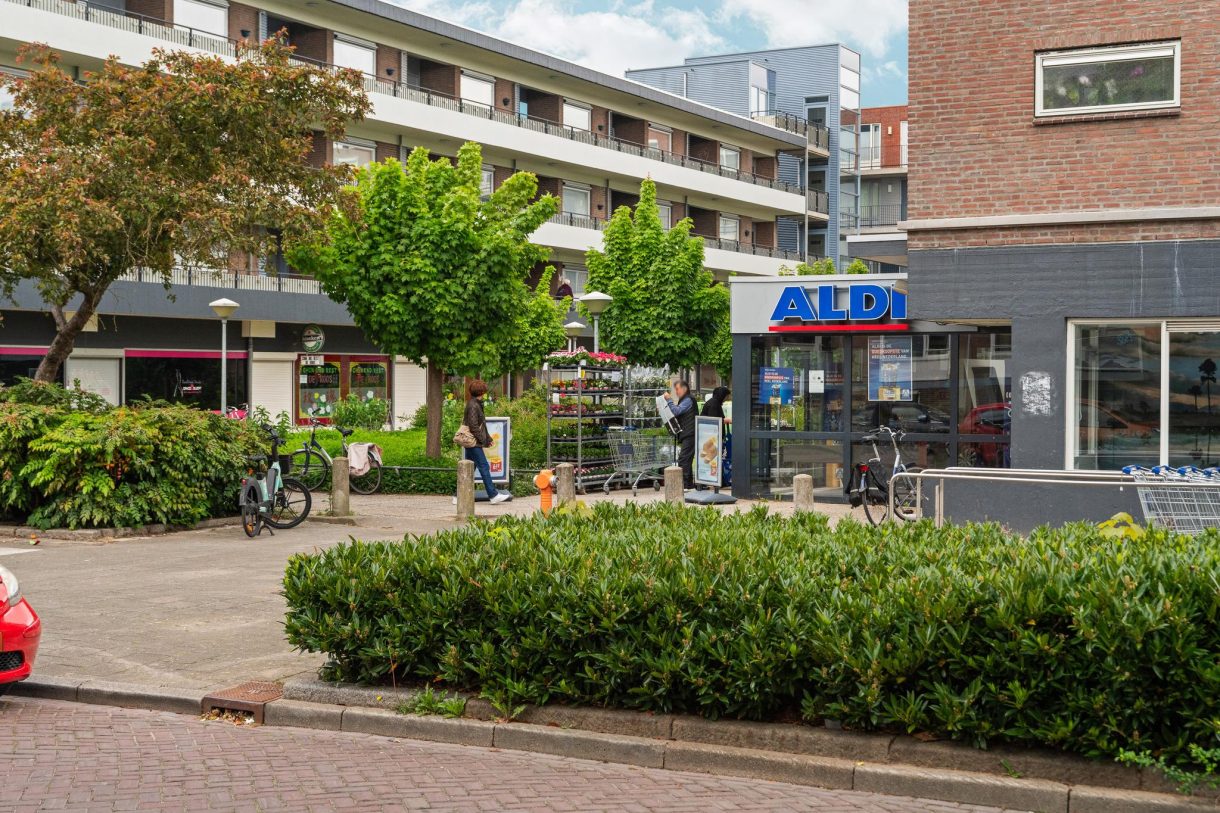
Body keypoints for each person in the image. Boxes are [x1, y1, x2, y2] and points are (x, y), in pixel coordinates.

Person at [463, 380, 510, 504]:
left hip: (473, 441)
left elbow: (481, 425)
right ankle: (493, 495)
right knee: (483, 466)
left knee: (469, 468)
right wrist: (484, 440)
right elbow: (474, 426)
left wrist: (488, 439)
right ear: (482, 392)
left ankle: (458, 496)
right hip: (473, 442)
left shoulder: (475, 403)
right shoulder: (474, 405)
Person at [663, 380, 698, 489]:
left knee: (683, 459)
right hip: (688, 433)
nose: (676, 392)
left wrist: (669, 400)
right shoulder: (685, 400)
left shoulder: (688, 400)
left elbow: (676, 411)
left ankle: (685, 485)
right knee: (686, 459)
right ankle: (688, 485)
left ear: (684, 389)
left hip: (690, 433)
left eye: (677, 389)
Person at [701, 386, 732, 487]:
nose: (726, 399)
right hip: (712, 438)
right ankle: (714, 480)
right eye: (726, 396)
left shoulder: (713, 403)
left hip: (711, 438)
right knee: (713, 459)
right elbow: (714, 420)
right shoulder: (714, 404)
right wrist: (726, 420)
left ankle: (715, 480)